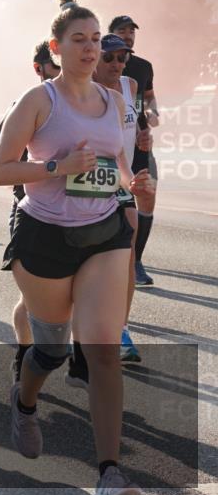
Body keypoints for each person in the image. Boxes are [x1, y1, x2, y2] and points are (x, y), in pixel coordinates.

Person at [0, 0, 153, 495]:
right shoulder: (39, 100)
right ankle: (25, 399)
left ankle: (108, 475)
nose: (89, 49)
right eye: (78, 40)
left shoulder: (118, 103)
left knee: (102, 348)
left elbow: (118, 167)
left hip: (103, 231)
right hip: (45, 236)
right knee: (52, 349)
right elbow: (1, 172)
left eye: (95, 40)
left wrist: (137, 186)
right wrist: (58, 169)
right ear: (57, 48)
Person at [0, 40, 61, 383]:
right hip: (31, 213)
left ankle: (82, 362)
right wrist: (51, 170)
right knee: (31, 299)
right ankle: (23, 354)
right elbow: (1, 169)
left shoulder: (89, 104)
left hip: (81, 215)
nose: (63, 74)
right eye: (55, 67)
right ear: (40, 69)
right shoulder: (26, 105)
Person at [90, 34, 154, 367]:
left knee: (126, 253)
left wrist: (145, 137)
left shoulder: (130, 86)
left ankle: (121, 330)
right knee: (84, 262)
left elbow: (144, 120)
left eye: (122, 57)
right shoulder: (84, 90)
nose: (117, 64)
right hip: (86, 184)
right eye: (110, 58)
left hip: (121, 179)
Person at [111, 15, 159, 286]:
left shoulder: (142, 67)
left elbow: (150, 98)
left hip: (139, 142)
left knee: (147, 196)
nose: (128, 35)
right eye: (122, 30)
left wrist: (152, 113)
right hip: (108, 150)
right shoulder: (99, 66)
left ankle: (135, 261)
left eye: (131, 31)